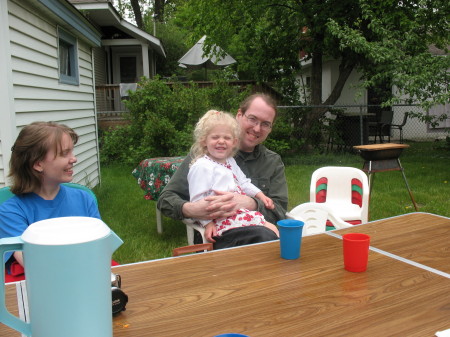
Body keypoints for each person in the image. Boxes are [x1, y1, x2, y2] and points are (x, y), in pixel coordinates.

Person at [158, 93, 288, 248]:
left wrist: (251, 203)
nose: (257, 128)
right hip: (219, 237)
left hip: (257, 232)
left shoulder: (272, 162)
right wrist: (193, 210)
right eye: (252, 119)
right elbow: (165, 199)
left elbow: (279, 210)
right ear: (239, 115)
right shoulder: (203, 157)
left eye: (265, 124)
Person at [0, 122, 100, 272]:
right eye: (64, 153)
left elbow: (100, 248)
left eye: (72, 152)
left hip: (88, 273)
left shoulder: (84, 199)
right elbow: (33, 264)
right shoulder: (11, 211)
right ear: (38, 164)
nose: (74, 159)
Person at [188, 110, 280, 245]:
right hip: (221, 220)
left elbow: (244, 182)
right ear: (204, 141)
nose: (221, 141)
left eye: (227, 138)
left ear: (234, 142)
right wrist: (207, 224)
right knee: (263, 236)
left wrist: (261, 196)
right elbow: (197, 200)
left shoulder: (229, 161)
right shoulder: (202, 166)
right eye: (215, 137)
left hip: (240, 214)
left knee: (274, 230)